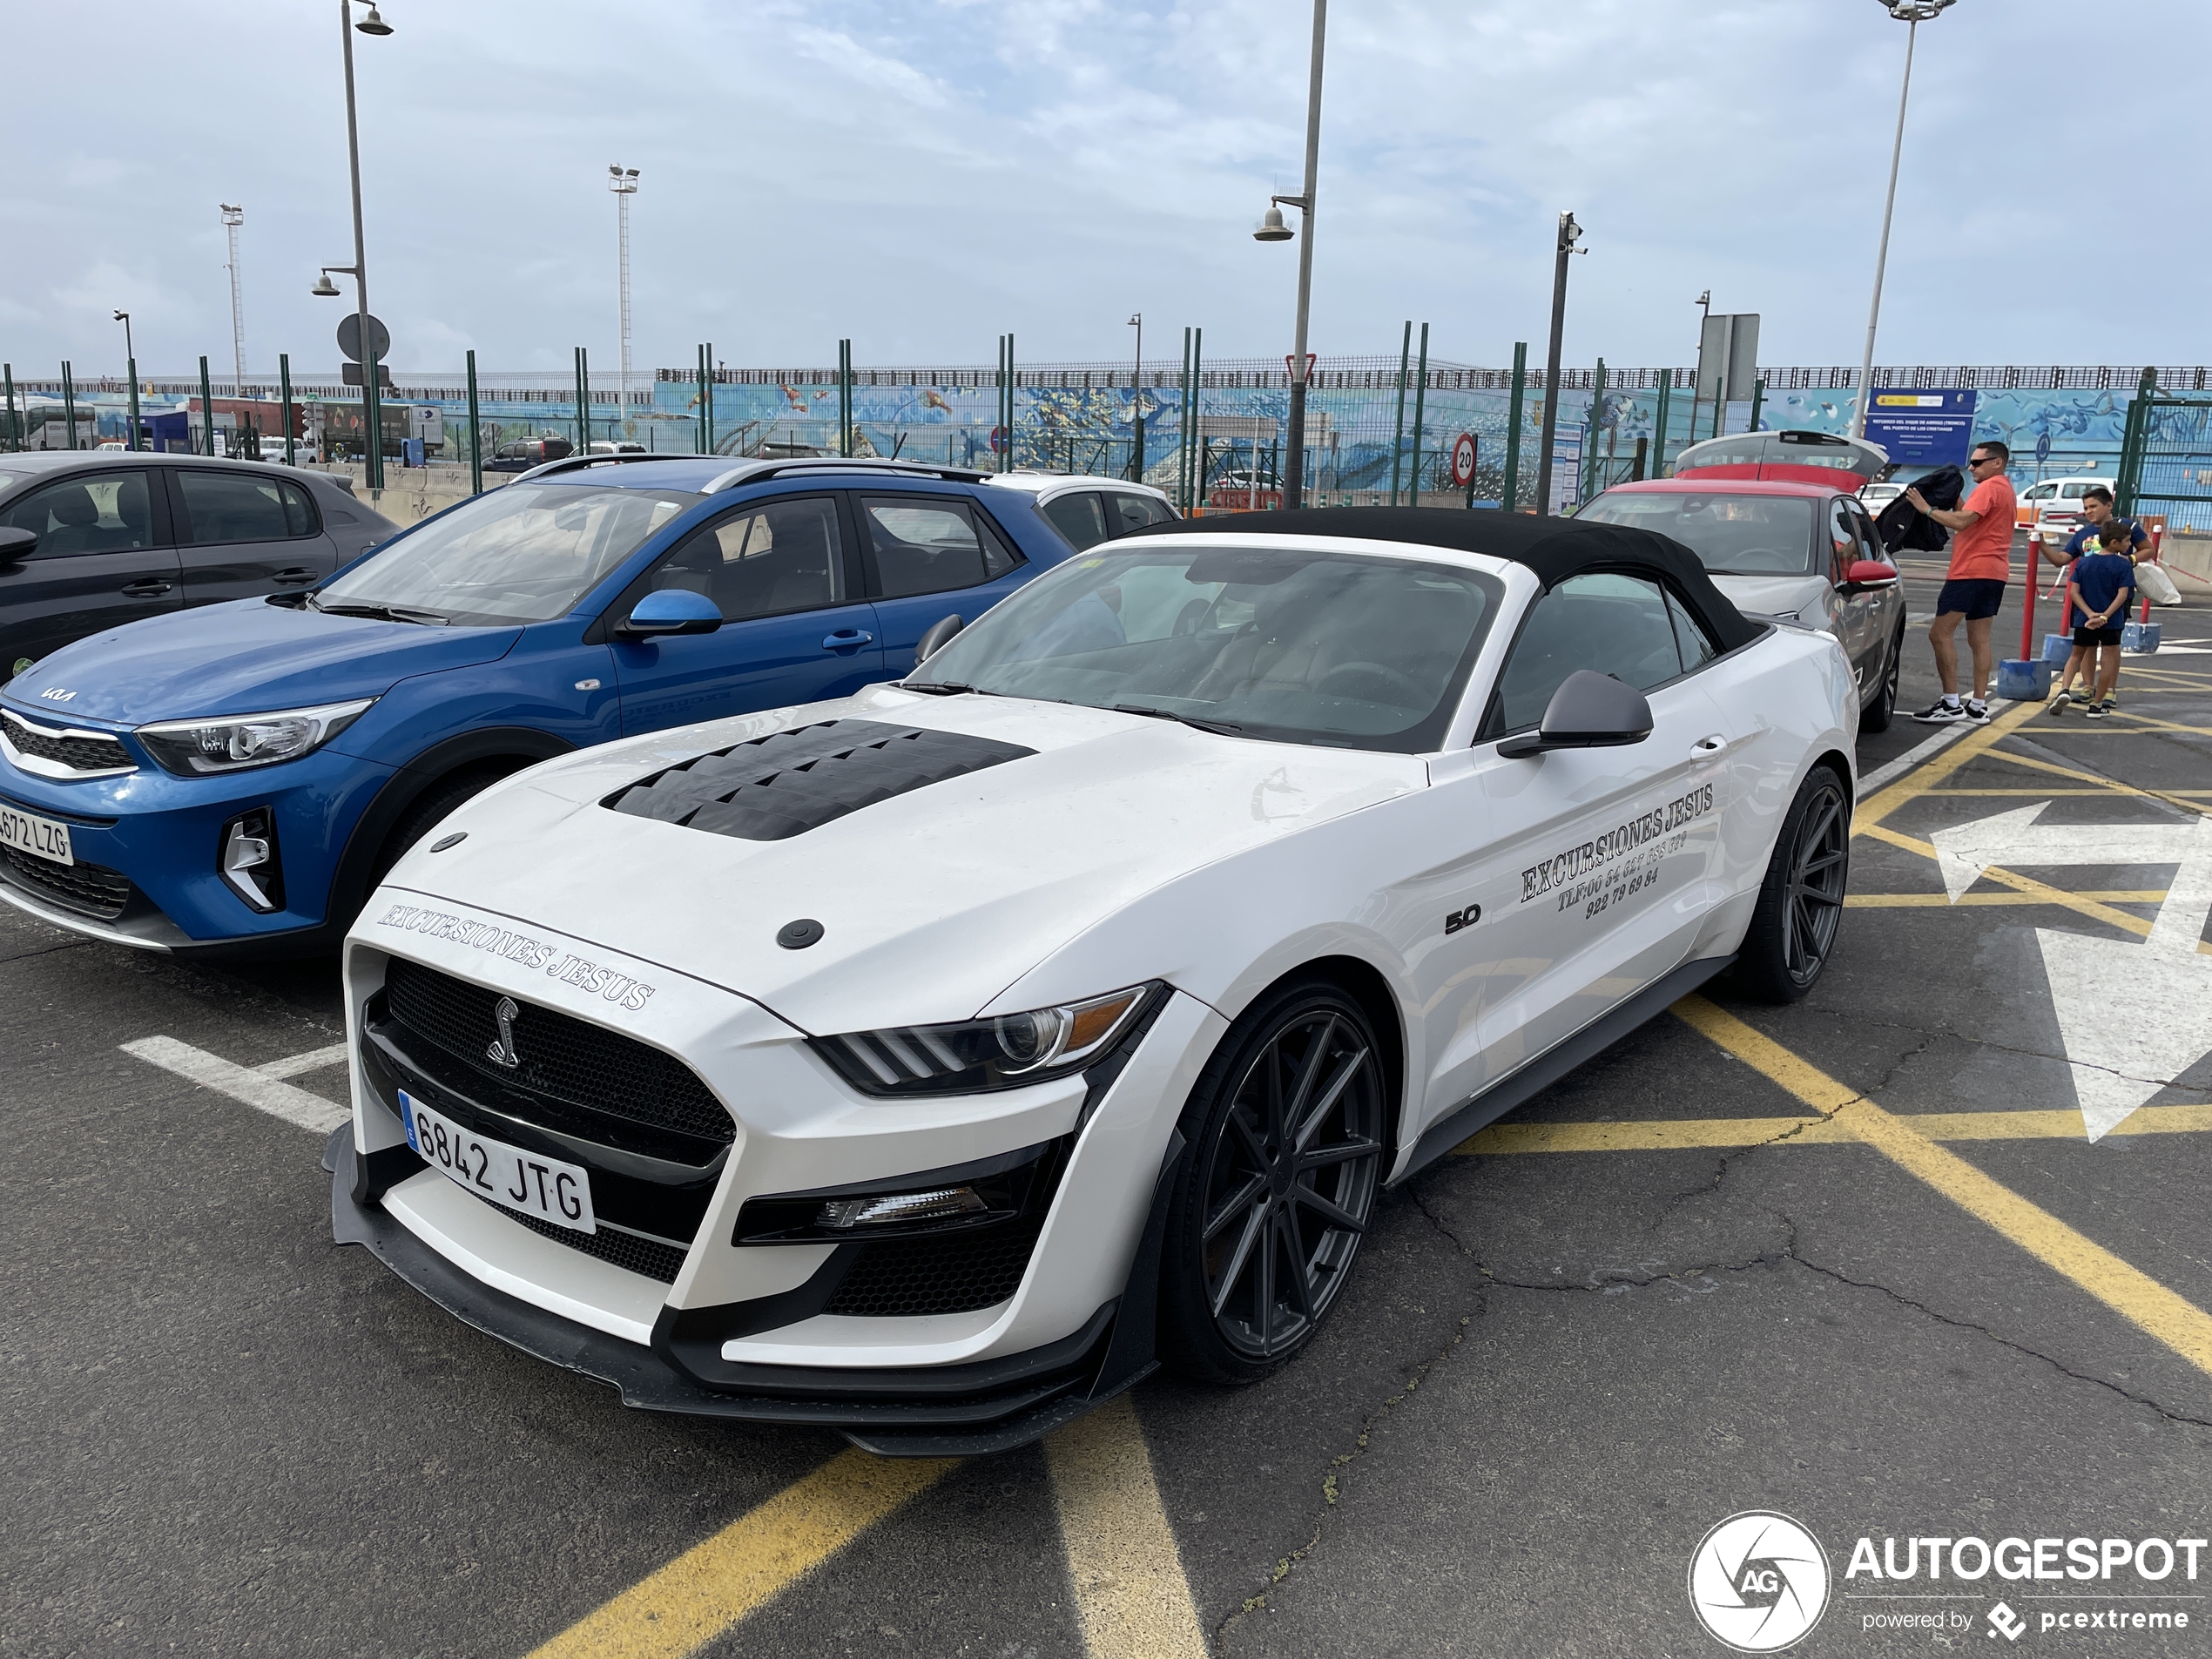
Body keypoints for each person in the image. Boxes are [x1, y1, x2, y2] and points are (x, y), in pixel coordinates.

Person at [1908, 442, 2019, 724]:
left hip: (1970, 571)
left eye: (1977, 462)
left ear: (1997, 463)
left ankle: (1951, 703)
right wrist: (1953, 499)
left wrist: (1927, 509)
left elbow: (1962, 522)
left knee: (1939, 634)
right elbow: (1972, 515)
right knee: (1979, 639)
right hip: (1995, 573)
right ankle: (1978, 705)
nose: (1971, 468)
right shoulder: (2006, 489)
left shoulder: (1990, 487)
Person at [2047, 521, 2136, 719]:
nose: (2130, 545)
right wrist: (2104, 616)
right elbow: (2122, 595)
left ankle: (2064, 690)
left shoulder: (2084, 562)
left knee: (2076, 656)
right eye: (2127, 541)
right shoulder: (2123, 564)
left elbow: (2074, 592)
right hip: (2111, 621)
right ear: (2114, 543)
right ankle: (2097, 705)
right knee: (2108, 661)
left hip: (2084, 619)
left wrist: (2089, 614)